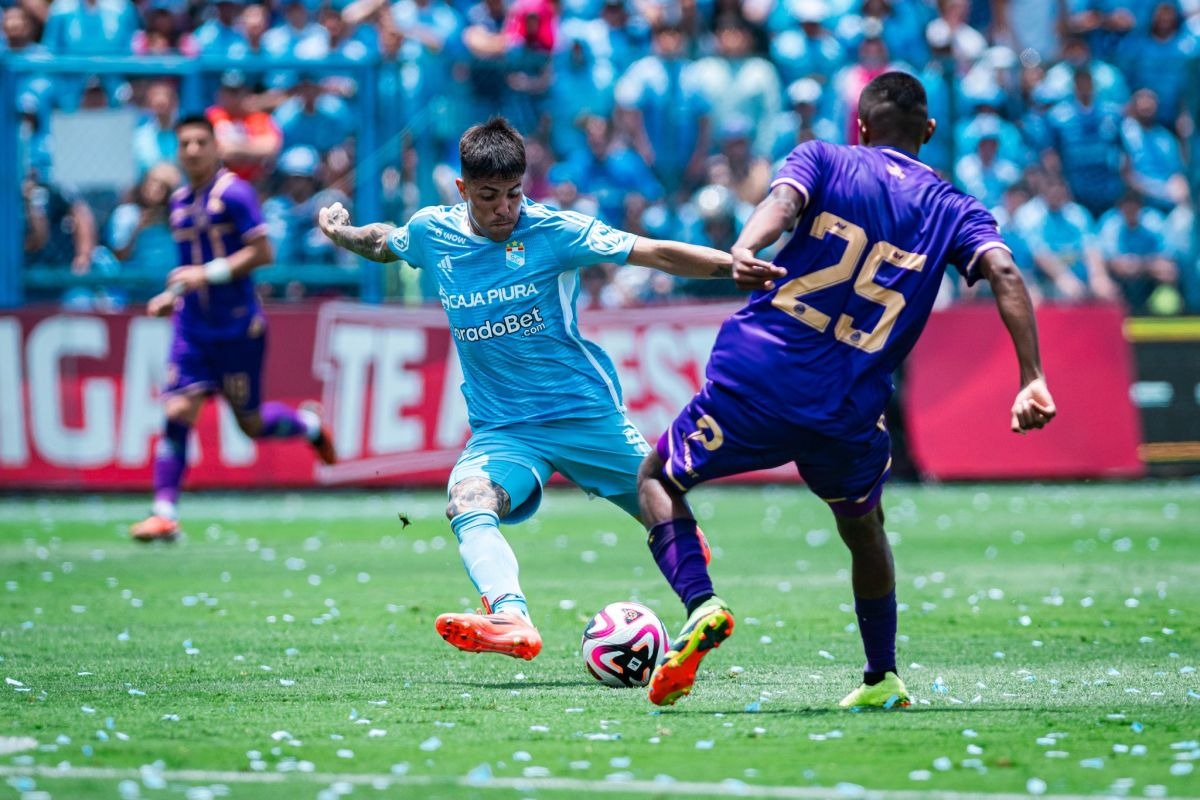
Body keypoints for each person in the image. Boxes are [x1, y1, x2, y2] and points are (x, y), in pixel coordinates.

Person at [636, 72, 1057, 708]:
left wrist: (744, 249)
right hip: (846, 407)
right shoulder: (956, 209)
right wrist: (1032, 376)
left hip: (761, 375)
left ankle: (702, 603)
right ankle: (881, 676)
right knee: (864, 526)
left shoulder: (823, 157)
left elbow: (781, 205)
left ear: (859, 126)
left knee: (659, 479)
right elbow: (1001, 268)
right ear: (930, 132)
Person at [318, 117, 782, 661]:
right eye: (488, 196)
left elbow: (653, 252)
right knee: (467, 502)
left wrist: (735, 266)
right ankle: (510, 616)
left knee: (664, 505)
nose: (504, 209)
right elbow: (385, 242)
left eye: (514, 194)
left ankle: (703, 608)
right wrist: (340, 232)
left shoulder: (555, 231)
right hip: (506, 430)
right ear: (463, 190)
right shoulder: (431, 231)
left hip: (585, 415)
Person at [130, 115, 336, 542]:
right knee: (177, 410)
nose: (191, 151)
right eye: (184, 143)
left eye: (200, 142)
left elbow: (263, 253)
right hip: (193, 328)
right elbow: (188, 272)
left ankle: (309, 427)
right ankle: (164, 512)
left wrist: (206, 274)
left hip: (238, 329)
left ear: (215, 147)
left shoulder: (235, 194)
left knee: (252, 425)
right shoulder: (181, 202)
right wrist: (172, 296)